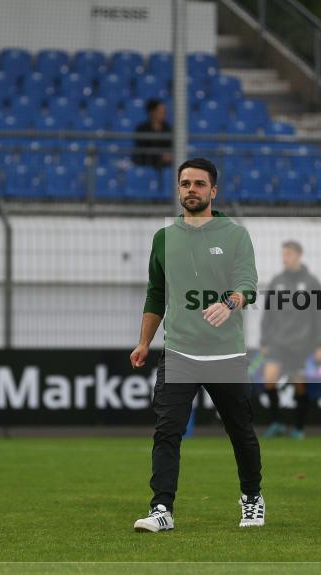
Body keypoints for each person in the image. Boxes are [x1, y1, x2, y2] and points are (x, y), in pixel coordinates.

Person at [130, 157, 265, 531]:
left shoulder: (235, 234)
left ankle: (252, 498)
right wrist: (144, 342)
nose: (192, 190)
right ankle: (161, 510)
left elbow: (247, 284)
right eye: (185, 184)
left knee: (240, 431)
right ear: (178, 189)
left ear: (213, 191)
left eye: (199, 184)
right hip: (179, 352)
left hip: (227, 354)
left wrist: (229, 303)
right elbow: (156, 295)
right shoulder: (163, 239)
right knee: (167, 430)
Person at [261, 240, 321, 440]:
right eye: (283, 254)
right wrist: (264, 340)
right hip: (277, 343)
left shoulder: (311, 282)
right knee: (269, 380)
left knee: (300, 384)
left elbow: (320, 316)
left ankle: (299, 428)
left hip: (302, 344)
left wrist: (320, 344)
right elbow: (268, 314)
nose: (284, 258)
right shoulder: (277, 281)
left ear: (298, 255)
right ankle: (277, 423)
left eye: (288, 254)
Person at [132, 98, 173, 169]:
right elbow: (142, 151)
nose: (164, 114)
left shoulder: (168, 129)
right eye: (161, 112)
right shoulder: (142, 129)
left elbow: (171, 146)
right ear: (152, 112)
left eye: (164, 112)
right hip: (146, 163)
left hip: (166, 165)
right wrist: (160, 157)